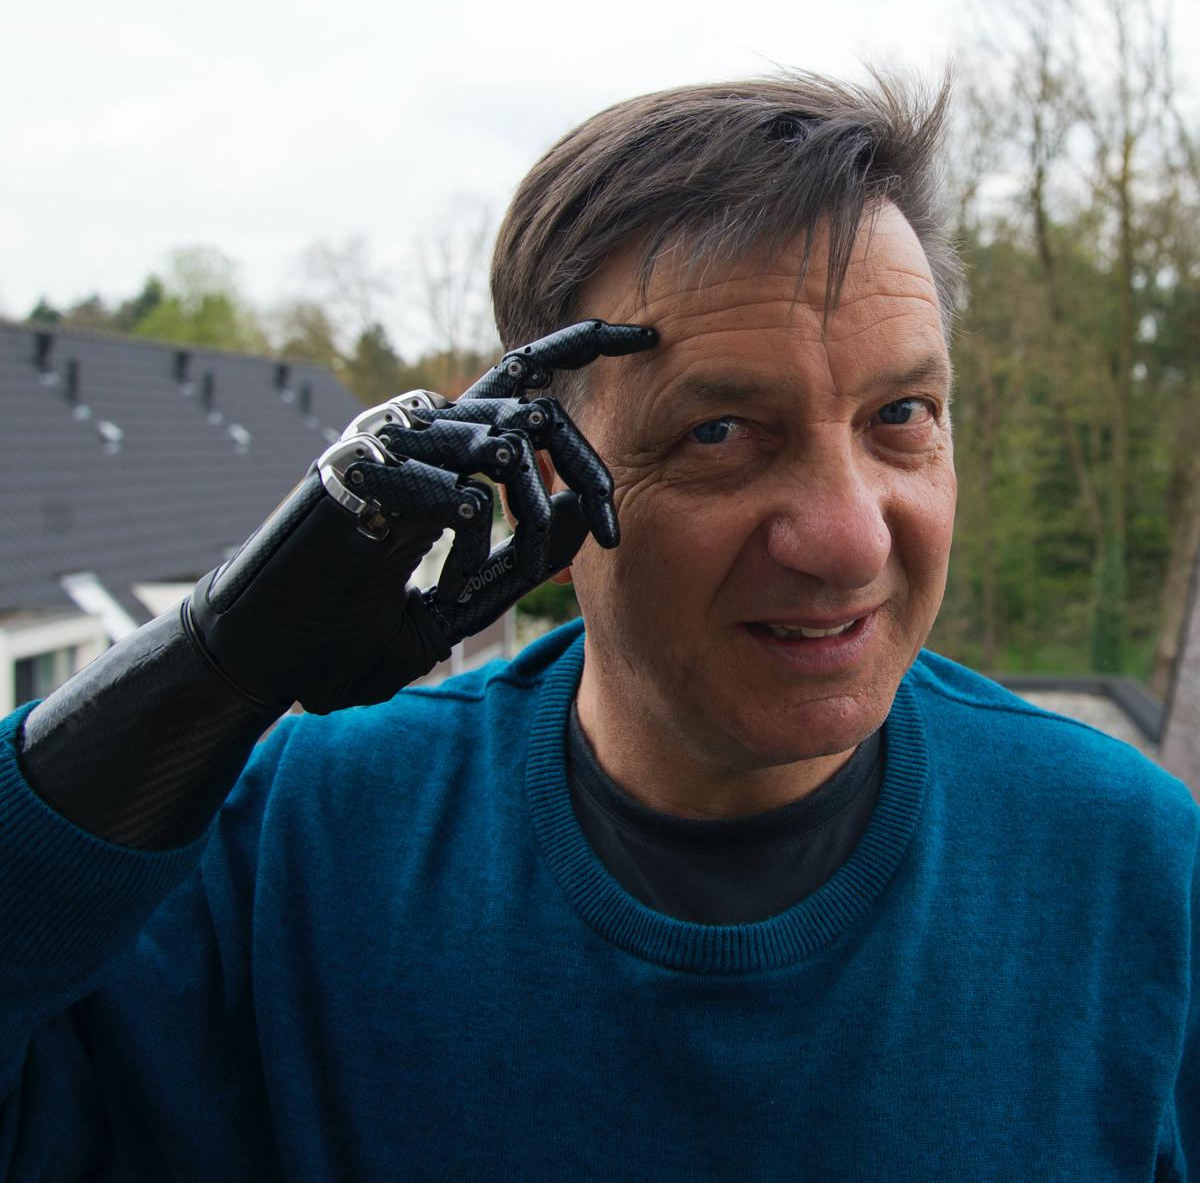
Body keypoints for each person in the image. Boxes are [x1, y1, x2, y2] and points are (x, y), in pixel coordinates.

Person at [1, 71, 1196, 1181]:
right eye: (719, 432)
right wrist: (206, 670)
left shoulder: (1132, 870)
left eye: (901, 413)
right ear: (540, 472)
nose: (849, 538)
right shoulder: (279, 858)